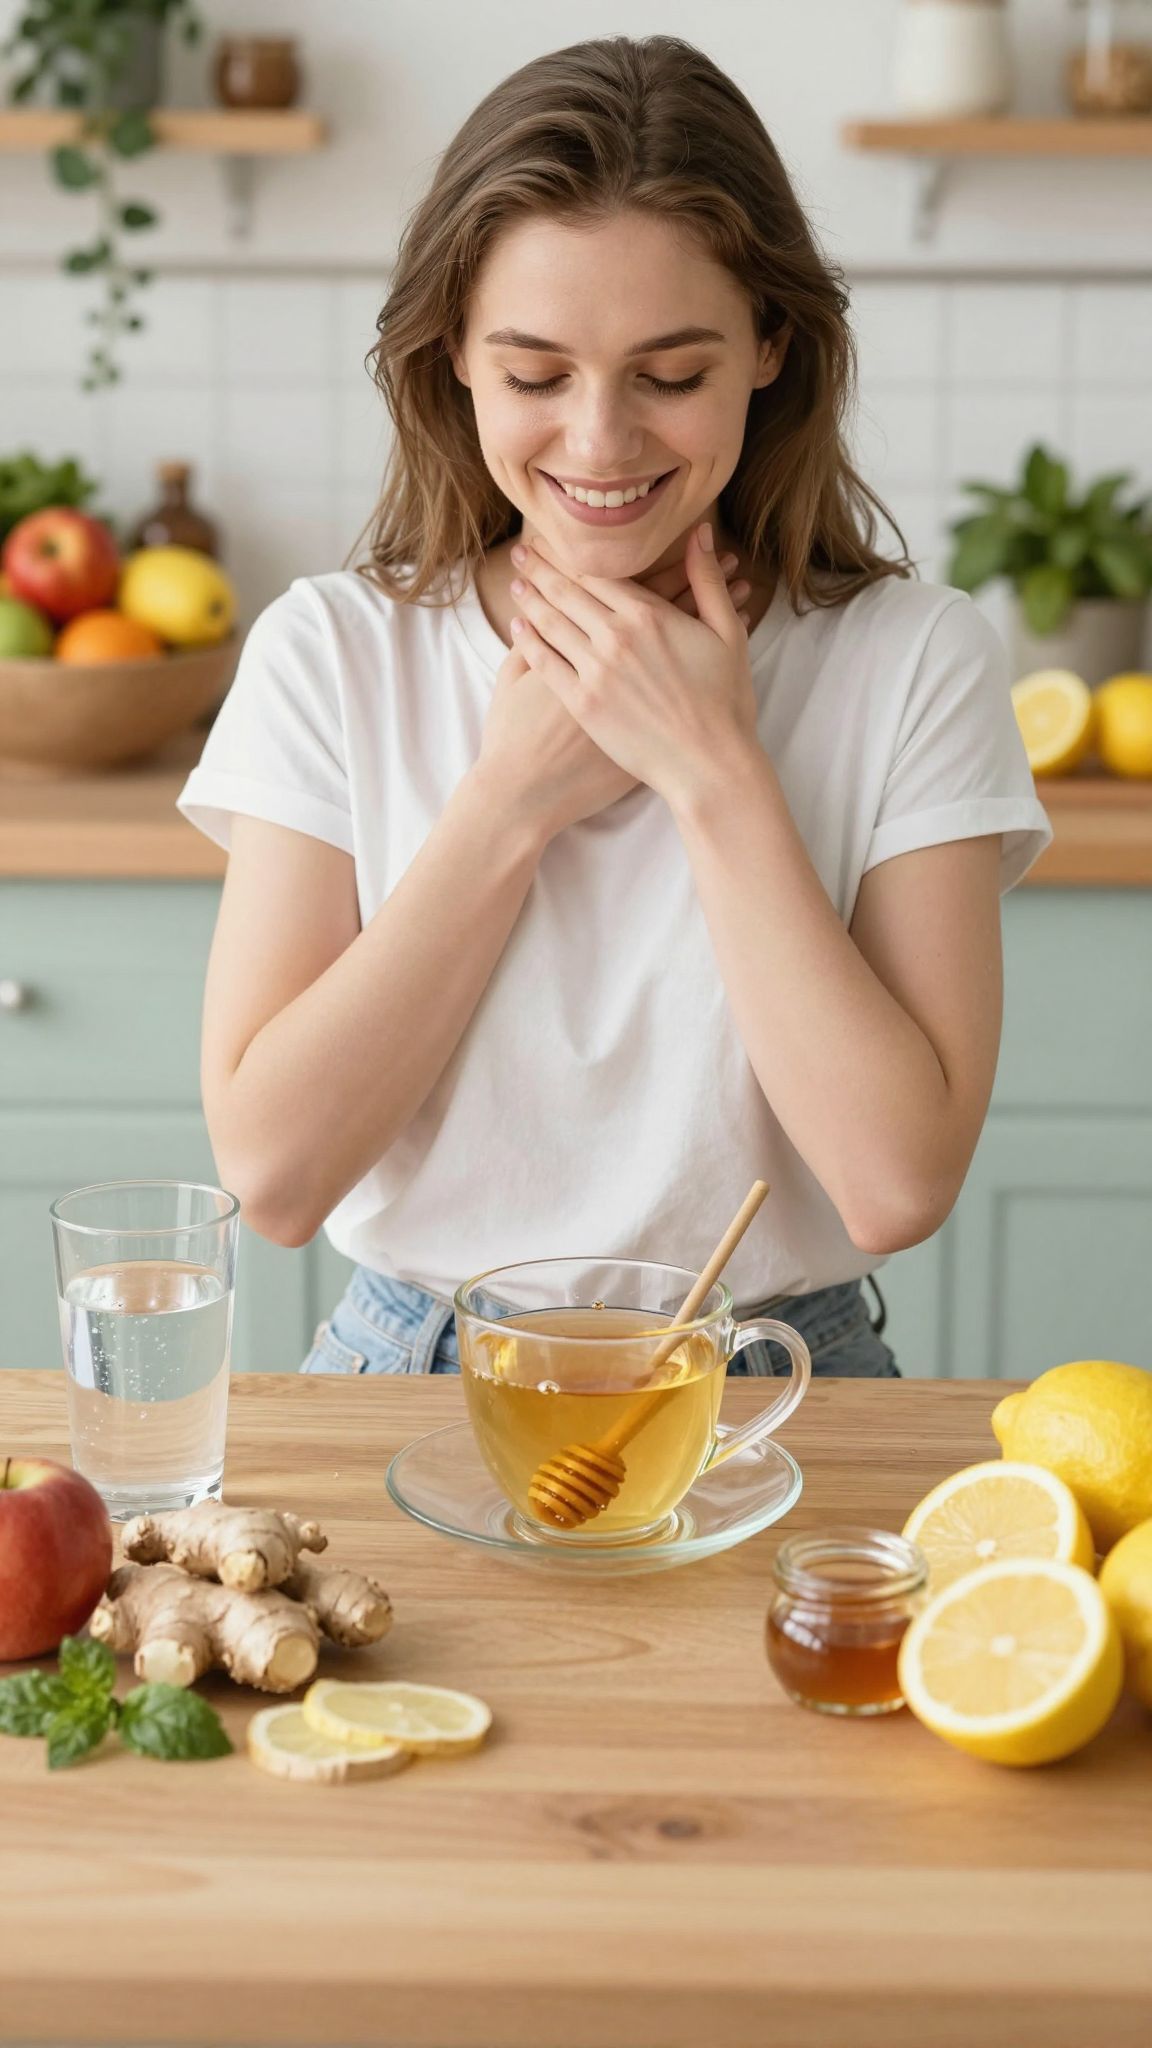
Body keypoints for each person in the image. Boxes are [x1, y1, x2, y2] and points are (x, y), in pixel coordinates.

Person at [177, 34, 1050, 1382]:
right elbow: (277, 1180)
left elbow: (893, 1187)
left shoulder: (912, 659)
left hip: (774, 1383)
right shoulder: (333, 652)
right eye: (535, 375)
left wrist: (716, 774)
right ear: (452, 358)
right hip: (411, 1372)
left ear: (771, 348)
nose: (598, 442)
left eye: (672, 374)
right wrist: (509, 802)